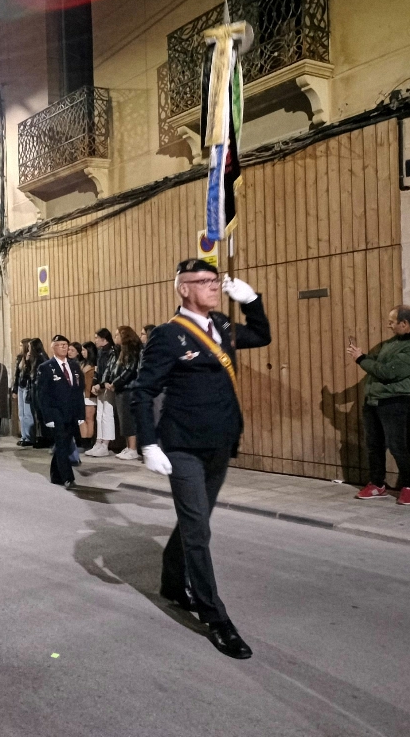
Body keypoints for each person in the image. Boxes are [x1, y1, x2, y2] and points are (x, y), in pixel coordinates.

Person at [132, 259, 270, 659]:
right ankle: (216, 618)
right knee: (198, 530)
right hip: (183, 446)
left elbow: (261, 335)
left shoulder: (224, 327)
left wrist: (253, 301)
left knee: (198, 519)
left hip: (220, 441)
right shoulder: (168, 336)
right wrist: (148, 443)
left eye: (216, 281)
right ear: (183, 289)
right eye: (205, 282)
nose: (214, 287)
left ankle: (173, 583)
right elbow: (142, 391)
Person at [348, 305, 410, 505]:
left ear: (404, 323)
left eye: (392, 322)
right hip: (373, 401)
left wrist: (360, 359)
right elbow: (376, 363)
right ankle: (377, 484)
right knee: (374, 445)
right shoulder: (391, 343)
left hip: (395, 402)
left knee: (397, 446)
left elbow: (388, 372)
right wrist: (364, 357)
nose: (389, 325)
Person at [36, 335, 86, 489]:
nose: (64, 347)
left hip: (71, 412)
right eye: (60, 345)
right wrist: (47, 416)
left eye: (66, 345)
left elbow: (79, 391)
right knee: (62, 444)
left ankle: (55, 475)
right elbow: (42, 395)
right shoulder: (45, 367)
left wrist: (80, 414)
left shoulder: (74, 366)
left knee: (62, 444)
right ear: (53, 347)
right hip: (56, 412)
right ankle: (68, 478)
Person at [108, 326, 143, 461]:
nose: (115, 337)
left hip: (128, 389)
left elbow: (129, 370)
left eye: (117, 335)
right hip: (121, 389)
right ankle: (128, 447)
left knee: (129, 420)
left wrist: (115, 383)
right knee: (124, 420)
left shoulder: (132, 350)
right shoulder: (120, 351)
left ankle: (133, 448)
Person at [85, 328, 116, 458]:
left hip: (108, 386)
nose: (95, 340)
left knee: (107, 414)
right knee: (99, 415)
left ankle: (105, 444)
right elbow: (98, 370)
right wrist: (94, 384)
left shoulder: (112, 351)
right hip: (99, 386)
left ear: (104, 339)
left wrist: (102, 384)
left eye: (97, 338)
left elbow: (111, 369)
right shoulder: (100, 352)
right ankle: (98, 441)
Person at [26, 338, 50, 448]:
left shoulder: (42, 358)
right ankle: (41, 438)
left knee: (42, 415)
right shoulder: (36, 358)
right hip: (36, 388)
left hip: (41, 389)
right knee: (38, 415)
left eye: (30, 347)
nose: (28, 349)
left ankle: (45, 439)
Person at [13, 339, 34, 446]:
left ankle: (29, 437)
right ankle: (24, 436)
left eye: (21, 345)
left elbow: (30, 374)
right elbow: (17, 374)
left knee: (28, 413)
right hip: (21, 386)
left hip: (27, 387)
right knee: (21, 413)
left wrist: (28, 360)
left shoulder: (31, 357)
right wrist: (14, 389)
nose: (19, 347)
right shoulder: (19, 357)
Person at [80, 341, 98, 444]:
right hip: (82, 393)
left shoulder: (94, 364)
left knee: (89, 417)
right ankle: (84, 438)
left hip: (90, 394)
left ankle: (89, 440)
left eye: (84, 350)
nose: (82, 352)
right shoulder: (83, 363)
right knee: (83, 418)